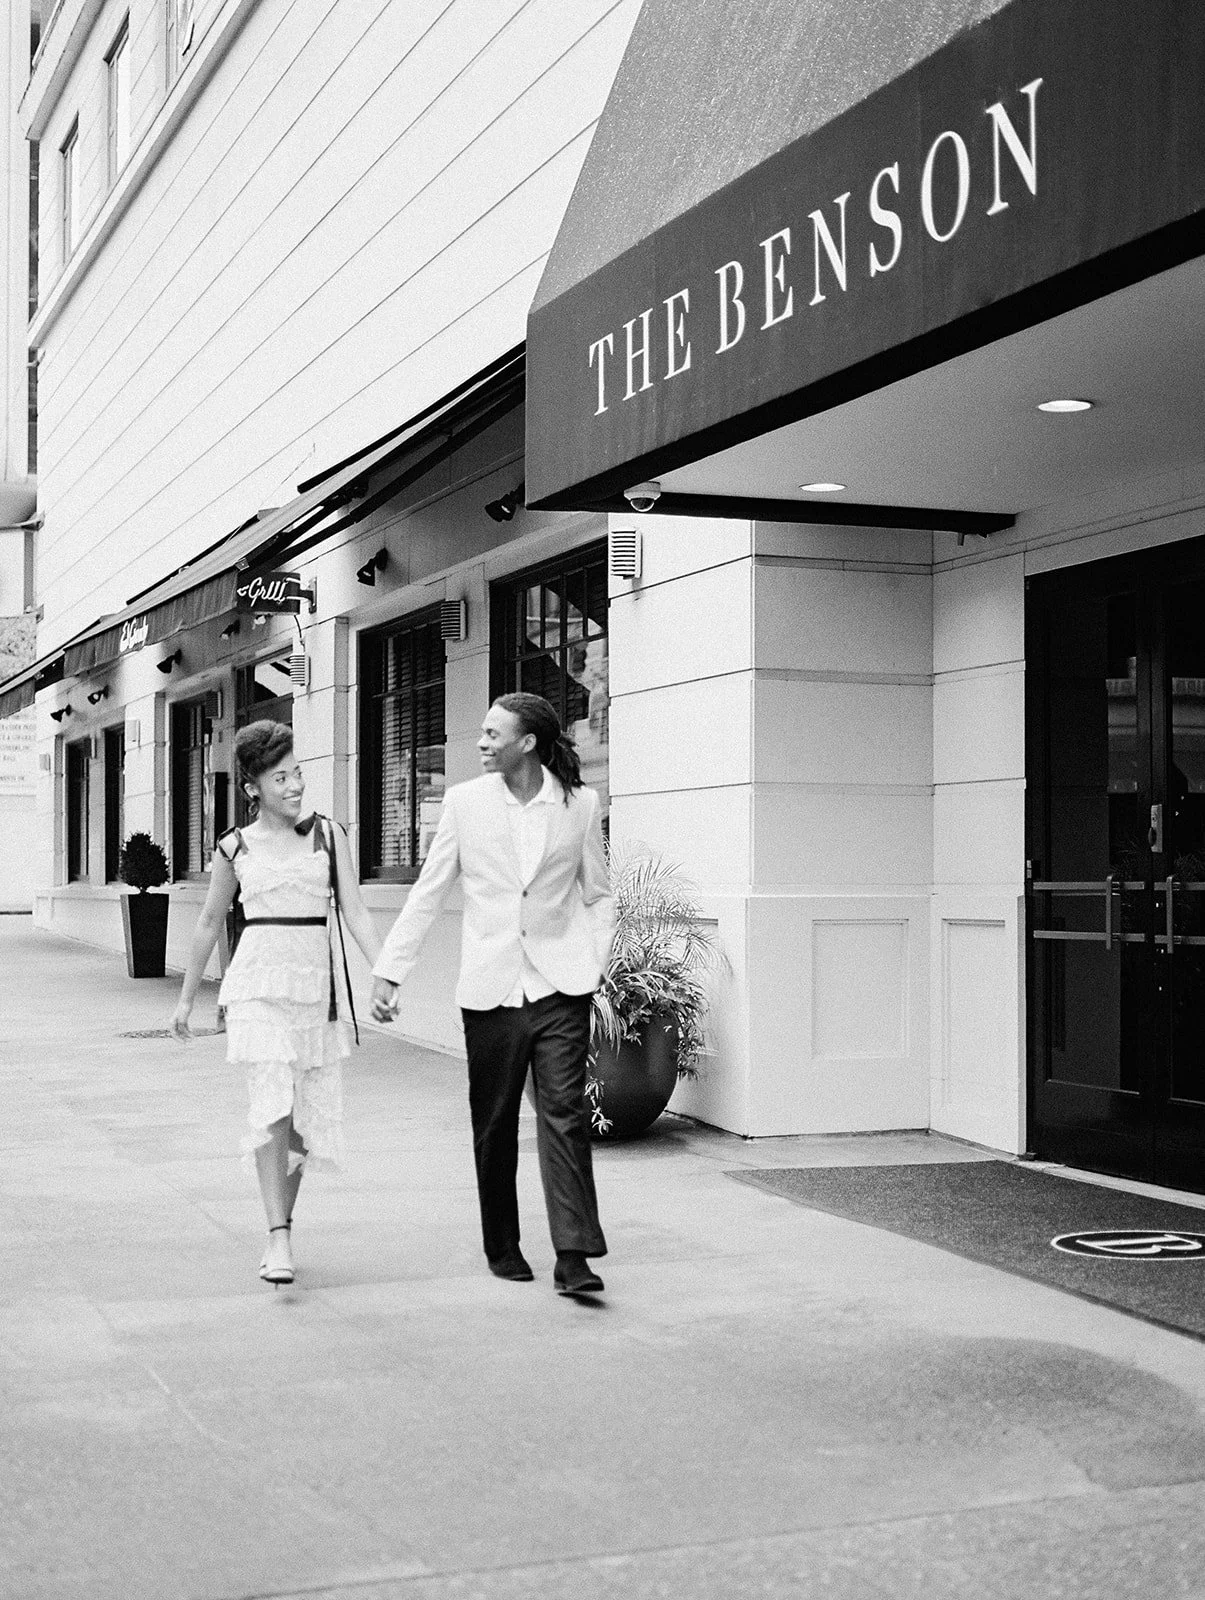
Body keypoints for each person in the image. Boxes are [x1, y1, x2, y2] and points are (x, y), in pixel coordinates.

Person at [371, 692, 615, 1296]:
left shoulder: (580, 804)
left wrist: (594, 959)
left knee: (564, 1114)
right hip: (491, 986)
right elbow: (428, 891)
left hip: (561, 985)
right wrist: (390, 970)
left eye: (491, 733)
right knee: (496, 1120)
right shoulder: (464, 803)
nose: (480, 742)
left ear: (527, 743)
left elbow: (599, 891)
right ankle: (502, 1244)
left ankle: (574, 1255)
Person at [170, 720, 382, 1286]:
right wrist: (186, 1002)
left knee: (302, 1124)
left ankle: (282, 1220)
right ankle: (277, 1237)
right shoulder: (234, 847)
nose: (295, 786)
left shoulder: (329, 836)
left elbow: (356, 912)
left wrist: (385, 971)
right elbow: (210, 923)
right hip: (258, 988)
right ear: (253, 788)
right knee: (272, 1106)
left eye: (298, 773)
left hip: (316, 990)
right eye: (281, 777)